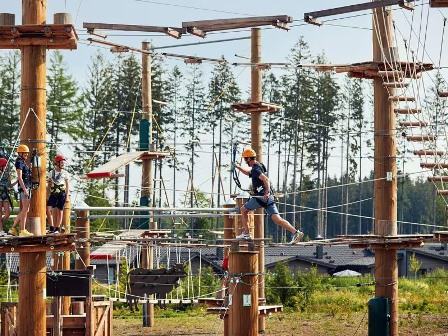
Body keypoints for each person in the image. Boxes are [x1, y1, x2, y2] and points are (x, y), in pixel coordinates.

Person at [234, 147, 304, 244]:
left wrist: (266, 192)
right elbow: (248, 173)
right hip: (268, 198)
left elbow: (266, 179)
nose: (246, 161)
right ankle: (296, 232)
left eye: (246, 159)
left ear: (249, 158)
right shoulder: (259, 166)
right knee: (277, 219)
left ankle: (246, 233)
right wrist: (238, 167)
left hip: (261, 197)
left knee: (243, 210)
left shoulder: (255, 169)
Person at [9, 144, 33, 237]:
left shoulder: (22, 162)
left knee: (24, 210)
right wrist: (25, 190)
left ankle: (13, 228)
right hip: (24, 188)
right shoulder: (19, 162)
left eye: (27, 154)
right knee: (25, 210)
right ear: (20, 153)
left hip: (27, 187)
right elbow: (19, 178)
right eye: (25, 154)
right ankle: (22, 230)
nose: (26, 155)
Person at [47, 154, 69, 234]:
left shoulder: (65, 173)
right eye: (62, 162)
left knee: (60, 211)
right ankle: (52, 226)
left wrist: (67, 197)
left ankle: (57, 228)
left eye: (63, 163)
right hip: (53, 193)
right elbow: (49, 185)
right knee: (48, 210)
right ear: (57, 163)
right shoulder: (51, 173)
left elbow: (67, 185)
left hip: (61, 193)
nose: (63, 164)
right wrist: (47, 194)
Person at [0, 158, 15, 236]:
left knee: (8, 213)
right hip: (0, 194)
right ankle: (1, 230)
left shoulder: (7, 174)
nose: (6, 167)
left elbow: (10, 185)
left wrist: (17, 181)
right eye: (5, 166)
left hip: (5, 195)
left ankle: (0, 224)